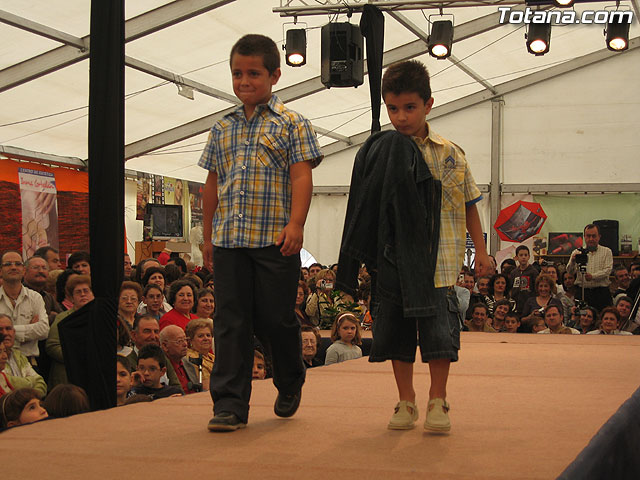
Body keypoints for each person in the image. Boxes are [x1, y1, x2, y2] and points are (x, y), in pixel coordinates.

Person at [337, 60, 492, 433]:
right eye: (393, 108)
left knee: (441, 335)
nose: (401, 117)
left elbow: (469, 205)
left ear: (429, 104)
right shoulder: (379, 152)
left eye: (410, 108)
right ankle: (405, 401)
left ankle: (437, 400)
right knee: (397, 336)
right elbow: (365, 208)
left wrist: (483, 252)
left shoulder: (450, 153)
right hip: (394, 264)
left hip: (440, 264)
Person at [199, 34, 322, 432]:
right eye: (237, 73)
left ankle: (289, 379)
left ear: (274, 75)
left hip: (275, 239)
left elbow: (301, 176)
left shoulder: (292, 123)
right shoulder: (222, 127)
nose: (244, 81)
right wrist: (207, 237)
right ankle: (230, 406)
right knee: (230, 321)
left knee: (276, 318)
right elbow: (211, 185)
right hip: (230, 240)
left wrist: (297, 224)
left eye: (253, 73)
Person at [0, 250, 49, 364]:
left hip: (29, 363)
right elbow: (38, 329)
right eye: (8, 264)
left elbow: (44, 330)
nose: (13, 267)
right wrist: (29, 328)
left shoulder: (35, 297)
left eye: (18, 264)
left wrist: (8, 331)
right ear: (0, 271)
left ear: (24, 270)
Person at [46, 275, 94, 390]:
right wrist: (75, 356)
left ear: (93, 294)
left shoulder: (100, 318)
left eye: (86, 291)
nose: (83, 294)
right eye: (78, 292)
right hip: (66, 374)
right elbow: (52, 346)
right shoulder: (62, 319)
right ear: (72, 298)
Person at [126, 314, 182, 390]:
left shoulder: (162, 357)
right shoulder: (127, 363)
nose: (153, 336)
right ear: (134, 335)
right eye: (147, 331)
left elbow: (176, 387)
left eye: (156, 332)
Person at [566, 224, 613, 312]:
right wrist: (572, 261)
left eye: (594, 236)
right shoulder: (576, 252)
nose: (591, 239)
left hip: (601, 293)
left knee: (602, 319)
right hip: (583, 293)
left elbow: (608, 270)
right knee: (582, 318)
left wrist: (593, 276)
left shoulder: (607, 251)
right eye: (588, 236)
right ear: (584, 237)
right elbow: (569, 271)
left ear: (599, 237)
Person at [0, 315, 46, 397]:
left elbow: (41, 383)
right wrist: (31, 382)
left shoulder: (19, 356)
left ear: (14, 332)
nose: (5, 333)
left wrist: (28, 400)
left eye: (8, 329)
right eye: (0, 329)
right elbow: (5, 384)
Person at [160, 325, 200, 394]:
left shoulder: (187, 363)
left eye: (185, 340)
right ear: (165, 346)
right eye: (179, 341)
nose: (185, 344)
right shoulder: (161, 367)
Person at [185, 318, 215, 391]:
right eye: (200, 336)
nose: (206, 338)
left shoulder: (212, 357)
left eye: (208, 335)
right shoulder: (191, 358)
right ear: (191, 340)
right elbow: (204, 386)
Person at [509, 245, 539, 315]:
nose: (523, 257)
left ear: (529, 256)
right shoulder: (514, 273)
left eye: (525, 255)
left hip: (529, 304)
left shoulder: (533, 272)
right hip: (516, 305)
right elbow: (511, 288)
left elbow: (536, 289)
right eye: (521, 255)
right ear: (516, 257)